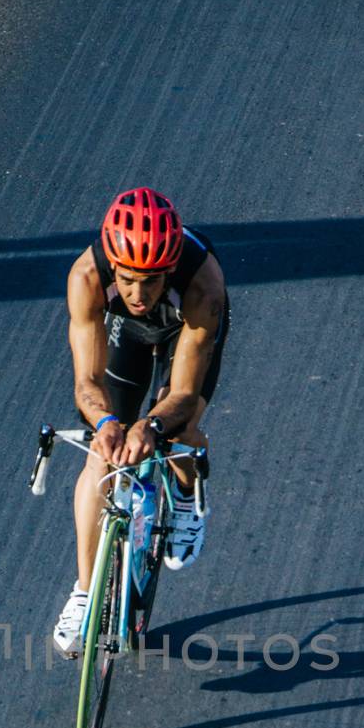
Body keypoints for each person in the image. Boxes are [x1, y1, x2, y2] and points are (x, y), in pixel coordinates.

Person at [53, 186, 230, 655]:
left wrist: (151, 426)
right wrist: (109, 421)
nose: (137, 292)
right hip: (126, 335)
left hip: (185, 329)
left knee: (180, 429)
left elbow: (185, 392)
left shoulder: (203, 284)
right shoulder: (87, 276)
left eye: (150, 281)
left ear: (169, 269)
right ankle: (86, 592)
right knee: (101, 453)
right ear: (113, 265)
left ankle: (188, 499)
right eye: (128, 279)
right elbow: (86, 381)